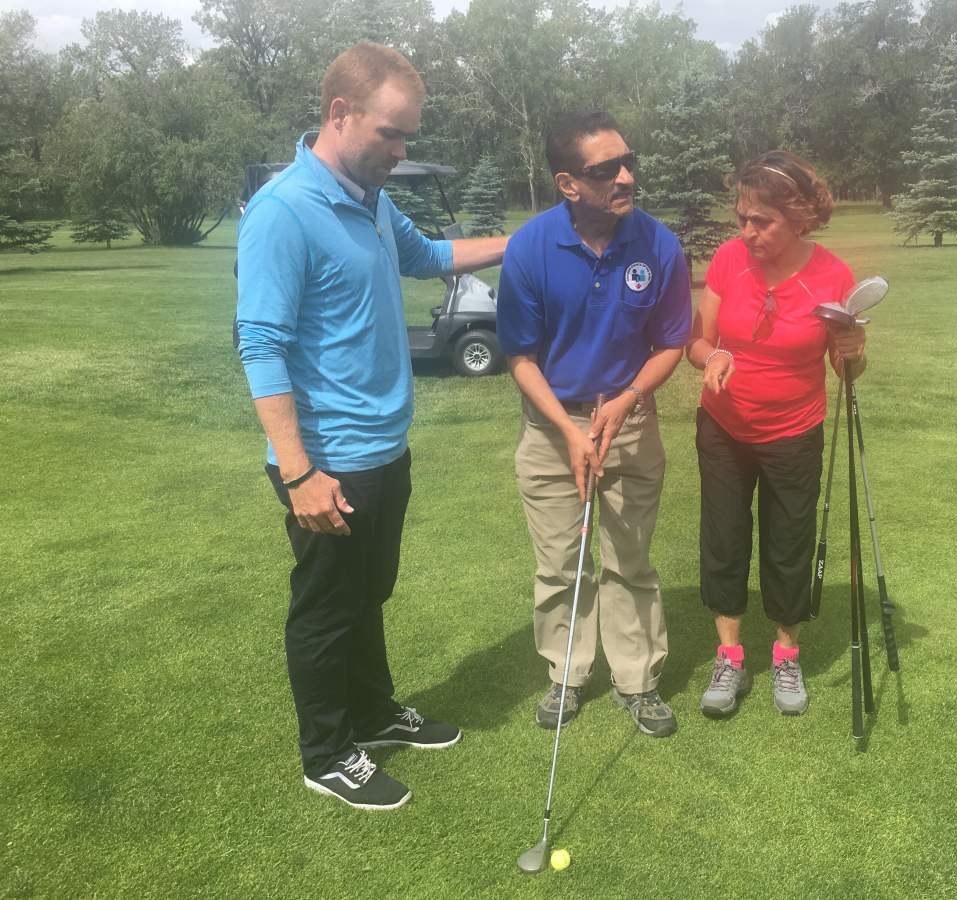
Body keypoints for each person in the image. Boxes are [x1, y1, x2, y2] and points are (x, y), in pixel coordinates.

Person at [235, 42, 508, 810]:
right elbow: (260, 343)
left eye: (408, 136)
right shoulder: (283, 212)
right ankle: (325, 753)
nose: (401, 149)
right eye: (390, 133)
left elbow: (431, 256)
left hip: (384, 449)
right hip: (325, 462)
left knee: (368, 596)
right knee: (325, 612)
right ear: (339, 114)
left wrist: (527, 244)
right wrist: (298, 472)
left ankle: (374, 714)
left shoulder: (373, 203)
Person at [497, 111, 692, 738]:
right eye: (606, 169)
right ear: (568, 183)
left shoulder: (658, 244)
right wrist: (570, 428)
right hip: (553, 427)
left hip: (628, 422)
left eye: (629, 162)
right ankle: (567, 674)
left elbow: (669, 344)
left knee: (629, 559)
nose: (626, 176)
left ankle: (638, 682)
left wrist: (626, 399)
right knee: (561, 561)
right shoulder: (530, 246)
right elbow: (520, 358)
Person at [685, 150, 866, 718]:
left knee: (789, 543)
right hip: (724, 426)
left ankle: (786, 653)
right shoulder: (727, 260)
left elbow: (846, 370)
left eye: (761, 221)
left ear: (798, 218)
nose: (747, 231)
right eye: (742, 218)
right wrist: (711, 355)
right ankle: (731, 655)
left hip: (794, 431)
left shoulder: (832, 275)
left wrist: (855, 352)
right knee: (724, 537)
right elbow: (697, 341)